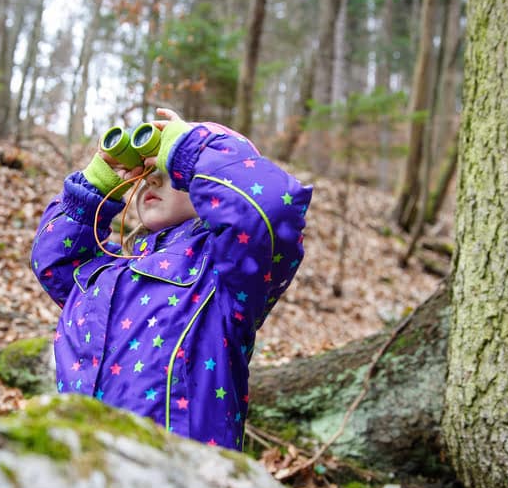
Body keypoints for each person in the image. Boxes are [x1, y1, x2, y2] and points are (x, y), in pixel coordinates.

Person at [30, 108, 312, 450]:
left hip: (180, 476)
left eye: (170, 170)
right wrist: (97, 184)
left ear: (214, 188)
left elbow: (269, 209)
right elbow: (53, 259)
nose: (153, 179)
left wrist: (190, 149)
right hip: (87, 471)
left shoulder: (224, 275)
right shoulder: (111, 267)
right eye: (148, 171)